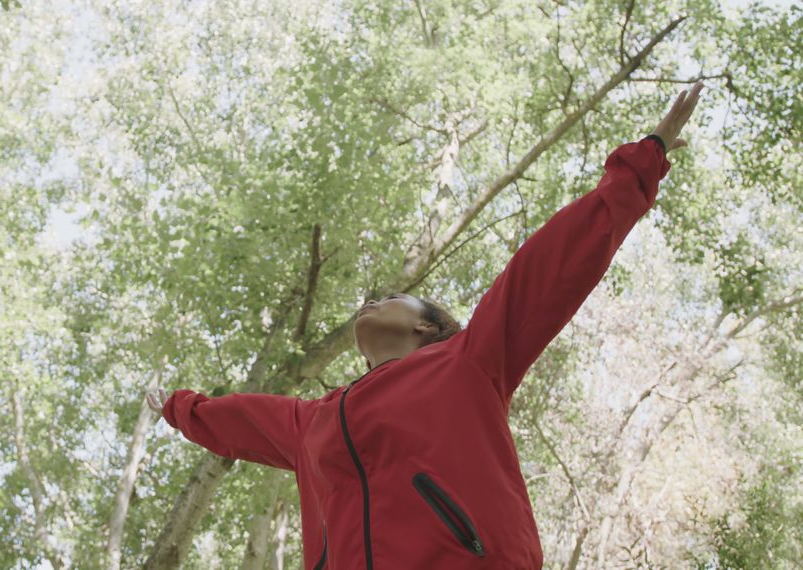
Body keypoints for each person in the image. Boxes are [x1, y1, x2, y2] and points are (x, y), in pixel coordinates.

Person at [146, 82, 705, 569]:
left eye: (393, 297)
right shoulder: (311, 421)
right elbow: (235, 421)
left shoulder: (469, 359)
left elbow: (552, 267)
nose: (373, 302)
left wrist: (640, 168)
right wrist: (175, 407)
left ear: (426, 327)